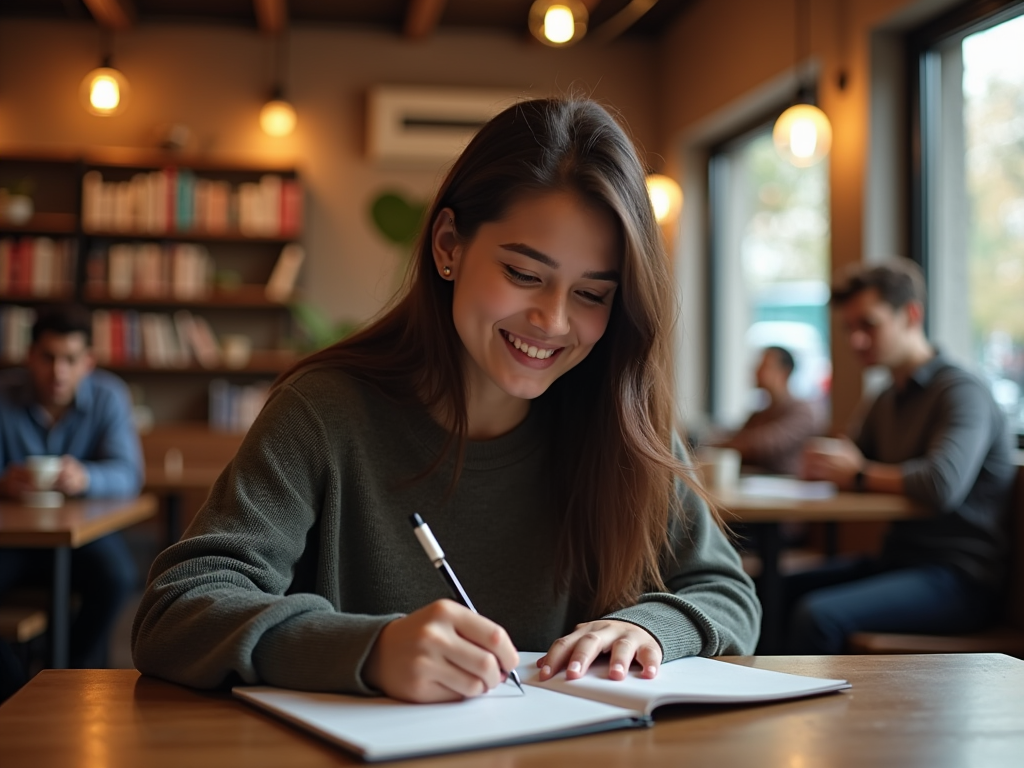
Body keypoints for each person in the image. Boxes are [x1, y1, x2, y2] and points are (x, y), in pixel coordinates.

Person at [132, 97, 760, 703]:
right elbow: (177, 609)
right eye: (523, 273)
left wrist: (652, 628)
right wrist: (368, 649)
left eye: (592, 294)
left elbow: (726, 591)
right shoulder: (324, 411)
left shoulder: (618, 420)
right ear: (448, 246)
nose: (552, 320)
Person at [791, 258, 1015, 653]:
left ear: (911, 314)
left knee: (817, 614)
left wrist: (858, 475)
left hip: (959, 578)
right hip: (899, 561)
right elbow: (850, 457)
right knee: (767, 590)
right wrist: (826, 464)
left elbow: (940, 484)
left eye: (869, 325)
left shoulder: (962, 391)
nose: (856, 340)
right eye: (849, 329)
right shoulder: (887, 397)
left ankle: (823, 714)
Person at [0, 305, 143, 669]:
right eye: (47, 358)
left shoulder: (108, 396)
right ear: (30, 356)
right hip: (14, 540)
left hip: (82, 538)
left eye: (70, 359)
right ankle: (16, 687)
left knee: (118, 576)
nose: (58, 372)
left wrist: (86, 478)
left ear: (88, 362)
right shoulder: (4, 396)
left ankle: (62, 671)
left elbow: (129, 473)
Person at [714, 346, 818, 475]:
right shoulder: (761, 413)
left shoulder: (801, 412)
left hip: (787, 485)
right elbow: (738, 439)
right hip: (758, 483)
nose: (756, 371)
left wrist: (721, 444)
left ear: (784, 372)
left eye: (764, 366)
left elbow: (763, 445)